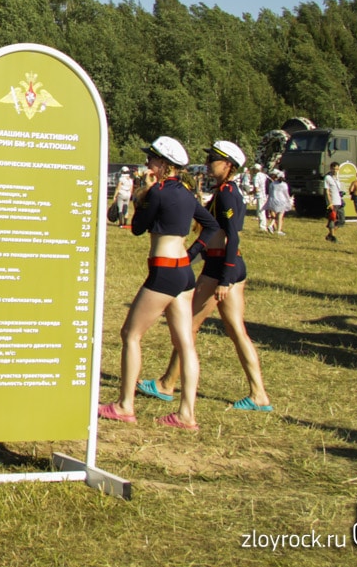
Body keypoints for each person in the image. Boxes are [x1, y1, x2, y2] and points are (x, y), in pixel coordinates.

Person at [99, 136, 216, 432]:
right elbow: (211, 225)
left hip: (164, 271)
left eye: (151, 158)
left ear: (164, 165)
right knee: (185, 343)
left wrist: (144, 193)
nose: (147, 162)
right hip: (183, 271)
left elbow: (138, 228)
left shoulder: (159, 192)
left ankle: (125, 405)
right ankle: (186, 414)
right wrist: (193, 252)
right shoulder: (187, 194)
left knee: (130, 334)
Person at [145, 141, 272, 412]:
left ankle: (167, 383)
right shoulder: (227, 191)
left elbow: (232, 237)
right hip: (228, 265)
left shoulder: (226, 194)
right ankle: (259, 394)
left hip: (220, 267)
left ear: (228, 165)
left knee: (188, 326)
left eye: (214, 158)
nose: (208, 162)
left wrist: (224, 278)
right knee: (236, 330)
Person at [266, 170, 292, 235]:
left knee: (274, 215)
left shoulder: (272, 184)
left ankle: (271, 225)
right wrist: (289, 200)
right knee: (280, 216)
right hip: (281, 201)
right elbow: (286, 194)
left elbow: (270, 193)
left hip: (273, 200)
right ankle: (278, 230)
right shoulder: (284, 185)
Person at [323, 162, 344, 242]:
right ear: (331, 168)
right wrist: (330, 203)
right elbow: (327, 191)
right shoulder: (328, 178)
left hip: (339, 201)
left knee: (341, 220)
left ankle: (330, 235)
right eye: (334, 169)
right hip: (333, 202)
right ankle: (333, 237)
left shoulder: (337, 177)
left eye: (337, 169)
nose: (335, 170)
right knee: (332, 219)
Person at [252, 163, 270, 232]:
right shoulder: (264, 175)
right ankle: (264, 225)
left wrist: (251, 192)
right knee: (263, 211)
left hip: (259, 195)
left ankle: (262, 227)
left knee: (260, 211)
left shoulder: (256, 177)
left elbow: (256, 189)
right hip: (265, 195)